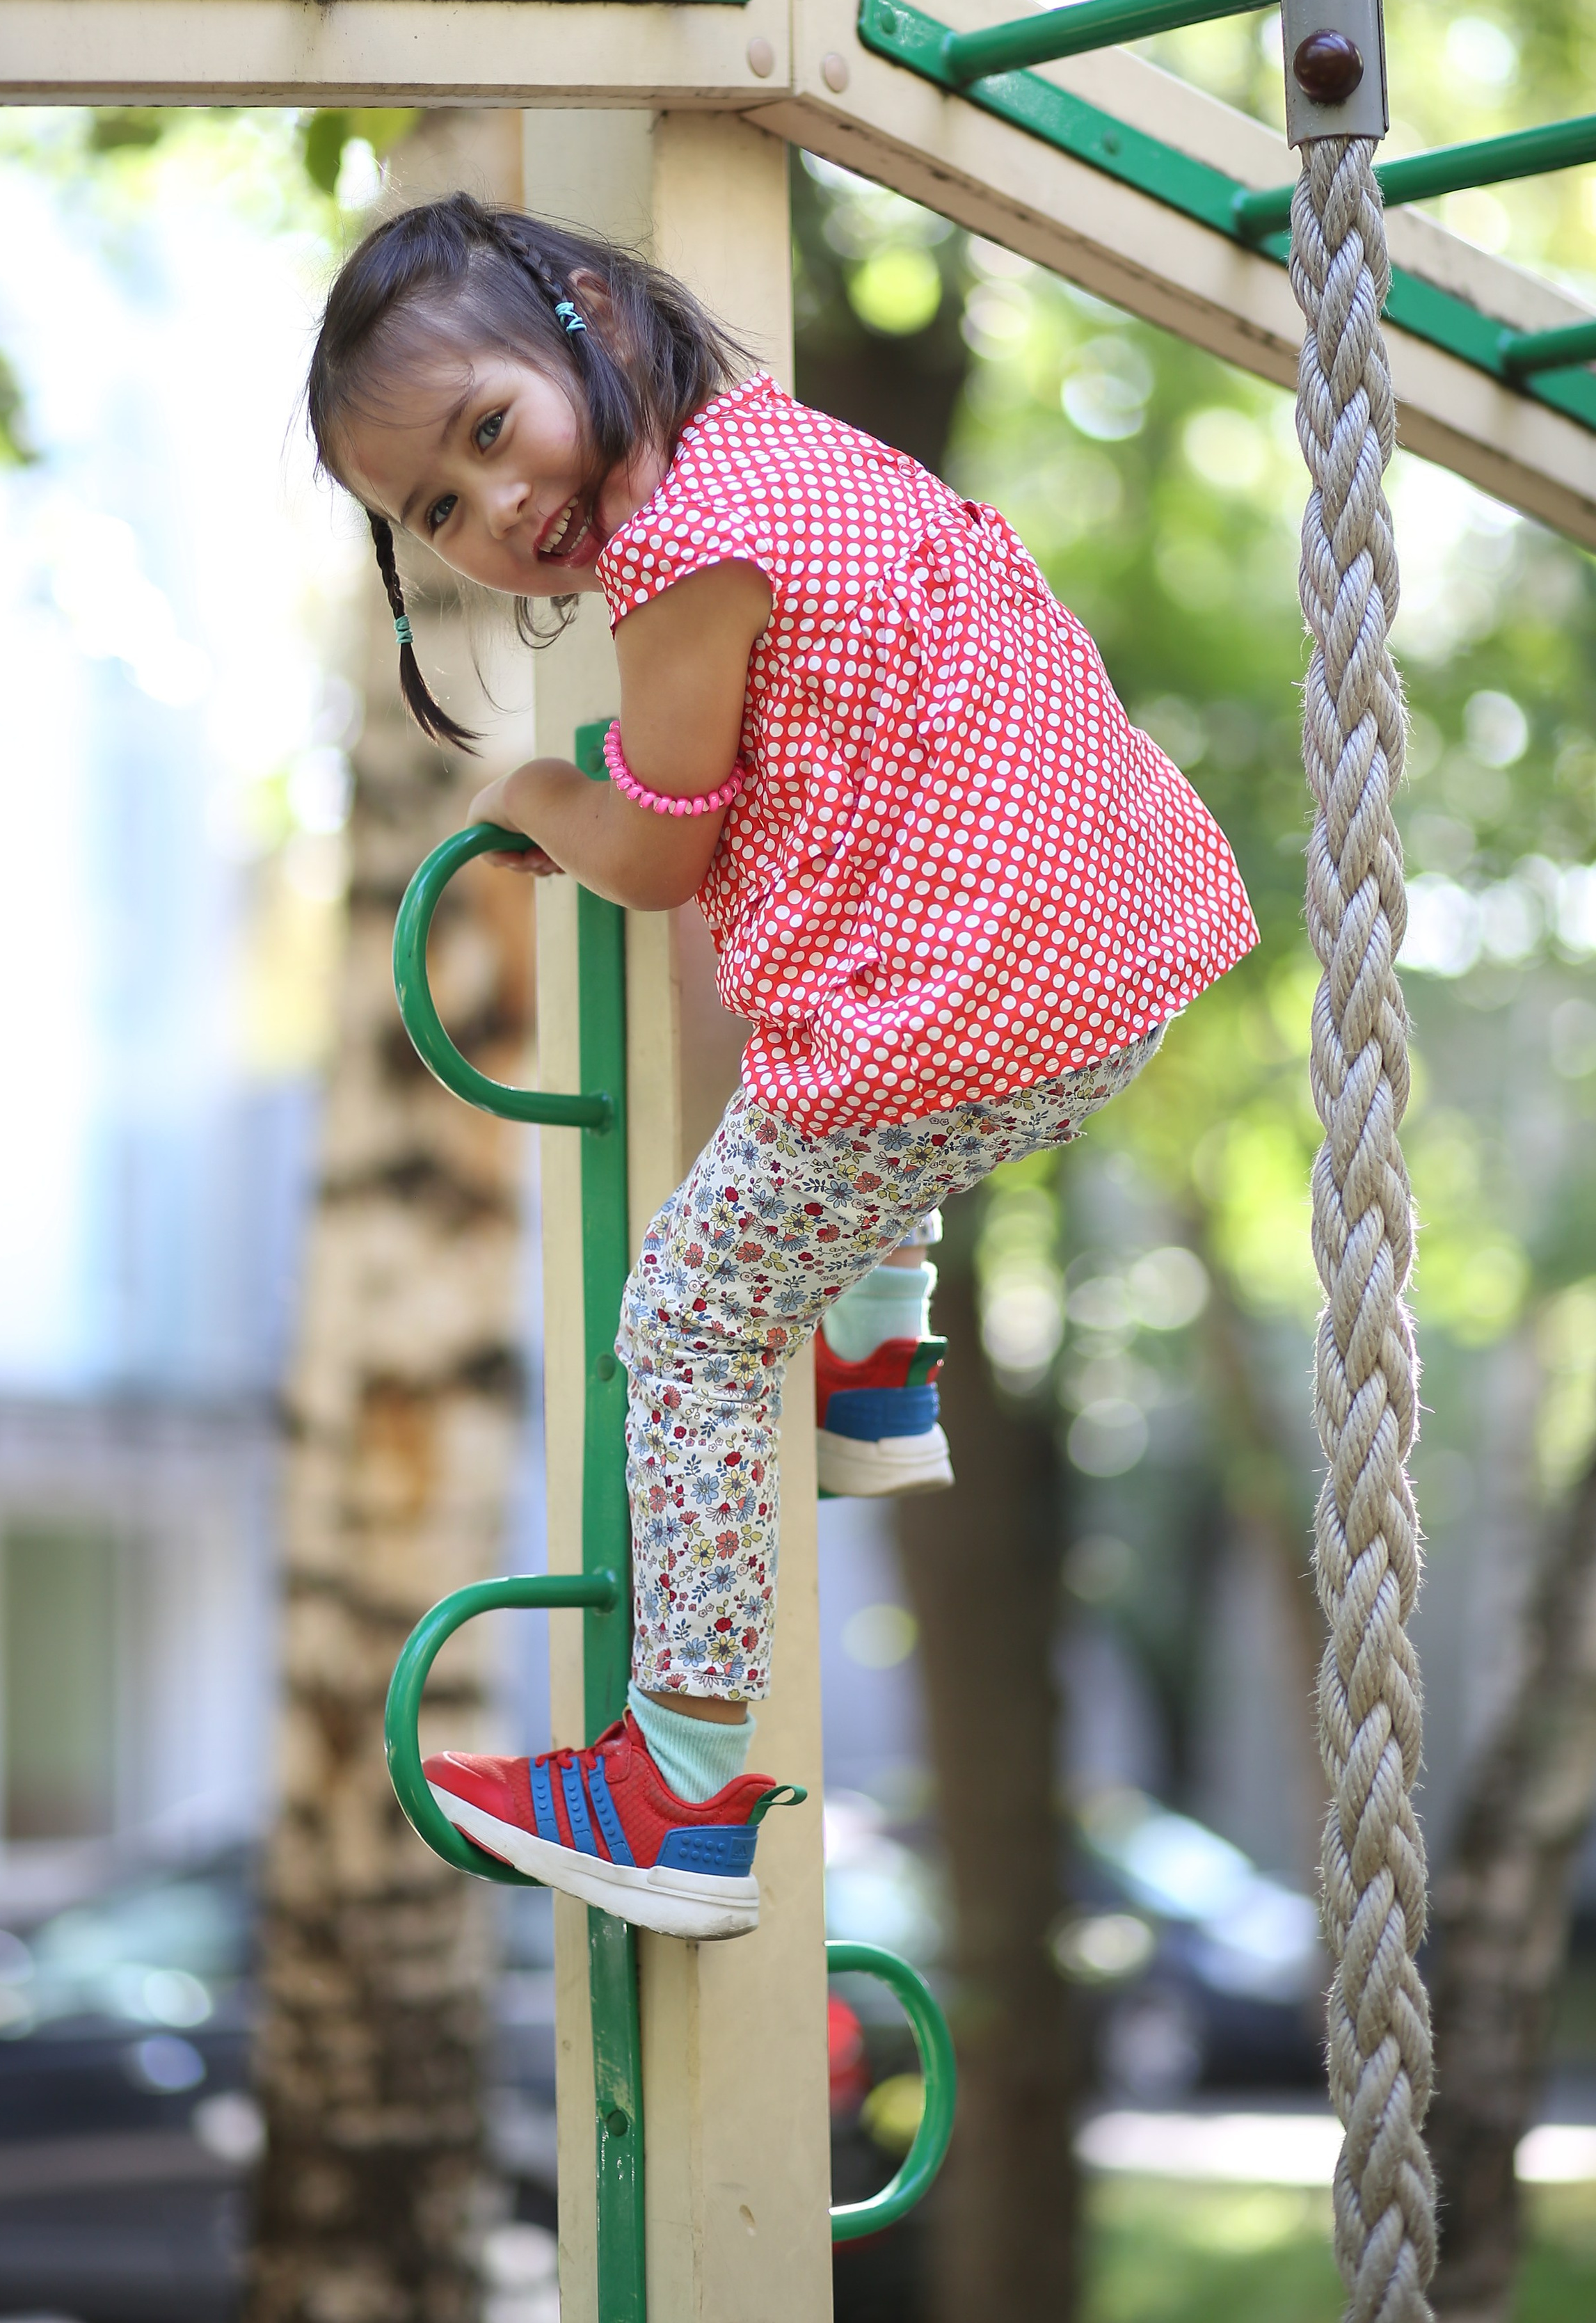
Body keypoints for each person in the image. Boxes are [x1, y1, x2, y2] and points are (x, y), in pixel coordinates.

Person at [305, 193, 1257, 1939]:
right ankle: (874, 1366)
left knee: (690, 1319)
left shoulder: (682, 559)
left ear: (593, 318)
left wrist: (542, 798)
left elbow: (658, 853)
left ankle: (673, 1787)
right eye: (434, 509)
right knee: (824, 972)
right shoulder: (798, 454)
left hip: (955, 1009)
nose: (494, 510)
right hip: (1112, 951)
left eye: (490, 432)